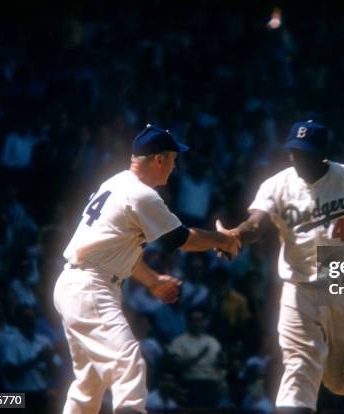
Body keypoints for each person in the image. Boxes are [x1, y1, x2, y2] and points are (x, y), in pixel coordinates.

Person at [216, 120, 344, 414]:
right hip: (299, 285)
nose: (298, 158)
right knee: (299, 364)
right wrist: (237, 235)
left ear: (323, 153)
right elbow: (256, 224)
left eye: (306, 152)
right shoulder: (277, 185)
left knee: (340, 381)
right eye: (294, 151)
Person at [53, 124, 240, 414]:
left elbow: (113, 253)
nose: (175, 166)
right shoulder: (141, 195)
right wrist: (223, 240)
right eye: (173, 159)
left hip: (82, 283)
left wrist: (152, 281)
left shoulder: (115, 182)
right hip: (90, 286)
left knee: (89, 381)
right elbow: (183, 240)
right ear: (159, 159)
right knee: (128, 362)